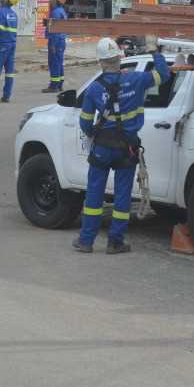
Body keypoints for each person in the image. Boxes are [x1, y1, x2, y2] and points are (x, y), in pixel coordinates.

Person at [73, 36, 170, 254]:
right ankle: (115, 242)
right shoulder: (136, 79)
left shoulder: (95, 89)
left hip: (102, 148)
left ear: (100, 62)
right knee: (123, 194)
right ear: (119, 57)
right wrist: (154, 50)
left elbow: (85, 122)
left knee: (94, 194)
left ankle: (86, 241)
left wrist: (93, 135)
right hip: (127, 148)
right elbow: (163, 74)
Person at [42, 0, 68, 92]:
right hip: (61, 41)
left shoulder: (56, 12)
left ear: (56, 0)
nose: (49, 0)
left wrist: (52, 44)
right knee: (59, 62)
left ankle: (54, 85)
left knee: (54, 63)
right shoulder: (61, 11)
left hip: (56, 41)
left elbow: (55, 30)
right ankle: (59, 83)